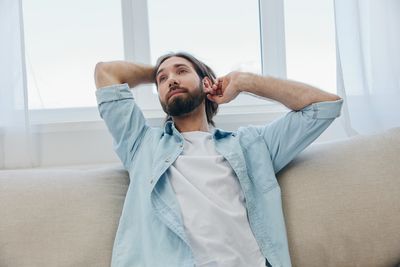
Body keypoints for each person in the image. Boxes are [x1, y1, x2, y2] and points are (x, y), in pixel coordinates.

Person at [94, 52, 343, 267]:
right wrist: (159, 68)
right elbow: (106, 72)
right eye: (163, 79)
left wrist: (246, 81)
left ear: (207, 83)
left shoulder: (251, 145)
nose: (171, 79)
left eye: (181, 71)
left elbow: (324, 107)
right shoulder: (141, 145)